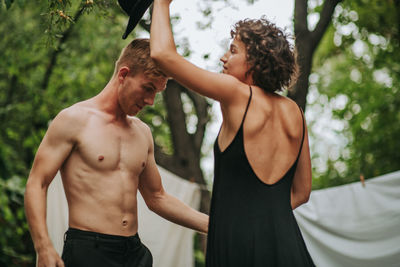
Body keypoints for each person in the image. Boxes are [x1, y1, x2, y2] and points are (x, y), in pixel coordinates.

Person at [150, 1, 315, 266]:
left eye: (233, 51)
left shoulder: (236, 92)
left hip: (238, 246)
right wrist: (265, 219)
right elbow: (302, 192)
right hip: (287, 242)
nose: (223, 58)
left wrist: (161, 3)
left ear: (254, 61)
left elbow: (162, 54)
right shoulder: (295, 112)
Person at [24, 38, 209, 267]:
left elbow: (157, 197)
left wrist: (212, 225)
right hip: (90, 251)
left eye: (157, 93)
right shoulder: (74, 120)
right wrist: (43, 247)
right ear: (123, 75)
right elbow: (37, 183)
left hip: (135, 252)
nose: (151, 101)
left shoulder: (142, 133)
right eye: (148, 88)